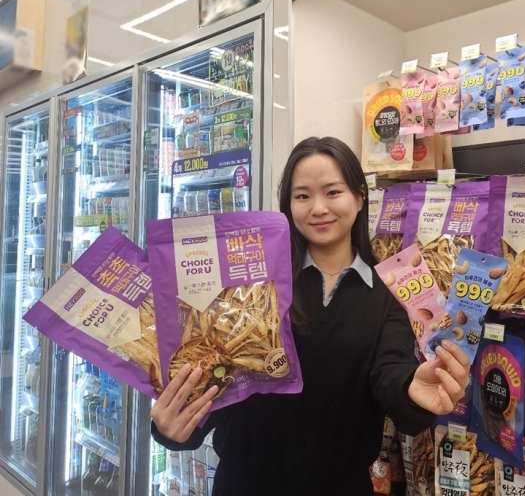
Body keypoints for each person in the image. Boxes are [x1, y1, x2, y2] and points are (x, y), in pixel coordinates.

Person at [151, 136, 470, 495]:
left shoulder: (387, 293)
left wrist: (413, 391)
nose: (318, 208)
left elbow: (391, 372)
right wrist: (175, 427)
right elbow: (221, 375)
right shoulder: (255, 285)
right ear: (287, 205)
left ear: (359, 197)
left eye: (333, 192)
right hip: (245, 485)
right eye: (302, 196)